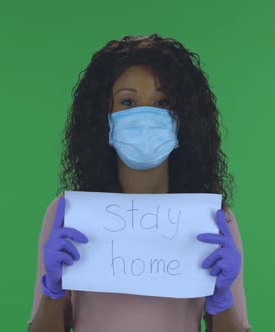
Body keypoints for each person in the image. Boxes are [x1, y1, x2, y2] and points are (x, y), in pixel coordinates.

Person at [28, 33, 251, 332]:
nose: (145, 115)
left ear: (184, 117)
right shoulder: (67, 215)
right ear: (102, 116)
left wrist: (222, 300)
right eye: (128, 101)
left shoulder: (214, 221)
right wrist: (53, 289)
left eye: (163, 101)